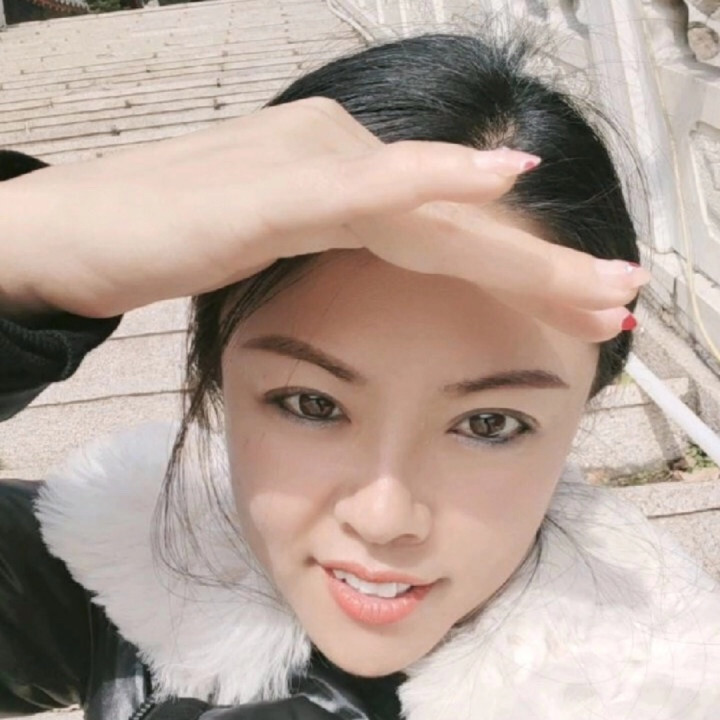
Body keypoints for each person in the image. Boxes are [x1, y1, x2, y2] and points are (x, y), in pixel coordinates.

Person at [1, 31, 719, 720]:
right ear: (217, 369)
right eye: (312, 403)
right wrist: (27, 244)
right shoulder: (126, 569)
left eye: (489, 423)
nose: (383, 519)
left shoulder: (659, 691)